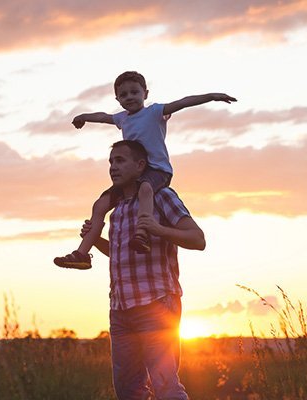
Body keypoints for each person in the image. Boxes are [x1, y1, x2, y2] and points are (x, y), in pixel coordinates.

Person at [53, 71, 233, 269]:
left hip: (157, 170)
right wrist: (83, 117)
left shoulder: (154, 112)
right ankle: (82, 253)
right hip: (133, 176)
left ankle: (142, 234)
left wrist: (212, 96)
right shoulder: (122, 119)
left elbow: (183, 102)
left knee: (146, 189)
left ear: (145, 94)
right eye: (123, 95)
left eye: (134, 92)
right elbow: (103, 116)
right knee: (100, 204)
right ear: (118, 99)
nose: (129, 97)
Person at [84, 140, 205, 400]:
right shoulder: (116, 210)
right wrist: (94, 239)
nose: (113, 167)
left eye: (120, 160)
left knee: (167, 388)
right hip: (120, 310)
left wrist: (157, 229)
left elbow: (198, 239)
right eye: (111, 162)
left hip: (157, 305)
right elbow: (119, 253)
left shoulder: (161, 196)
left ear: (140, 166)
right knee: (129, 392)